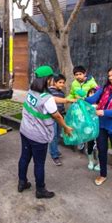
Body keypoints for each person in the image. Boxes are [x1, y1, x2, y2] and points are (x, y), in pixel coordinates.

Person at [18, 66, 74, 199]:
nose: (53, 81)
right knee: (39, 163)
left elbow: (48, 99)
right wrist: (66, 127)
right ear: (48, 80)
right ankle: (40, 190)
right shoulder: (47, 98)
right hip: (38, 137)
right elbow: (58, 116)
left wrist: (66, 100)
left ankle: (22, 182)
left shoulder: (31, 91)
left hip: (25, 131)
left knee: (24, 157)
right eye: (51, 78)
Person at [48, 73, 76, 166]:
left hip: (60, 117)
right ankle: (54, 155)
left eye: (63, 83)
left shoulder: (62, 93)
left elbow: (62, 106)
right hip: (52, 118)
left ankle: (54, 150)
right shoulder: (49, 91)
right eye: (60, 82)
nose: (62, 85)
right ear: (54, 83)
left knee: (58, 135)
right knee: (53, 136)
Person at [86, 88, 100, 171]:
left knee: (100, 147)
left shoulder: (101, 105)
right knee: (90, 145)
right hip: (89, 130)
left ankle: (99, 163)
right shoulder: (86, 105)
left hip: (98, 129)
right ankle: (91, 161)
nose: (92, 95)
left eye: (94, 93)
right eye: (90, 93)